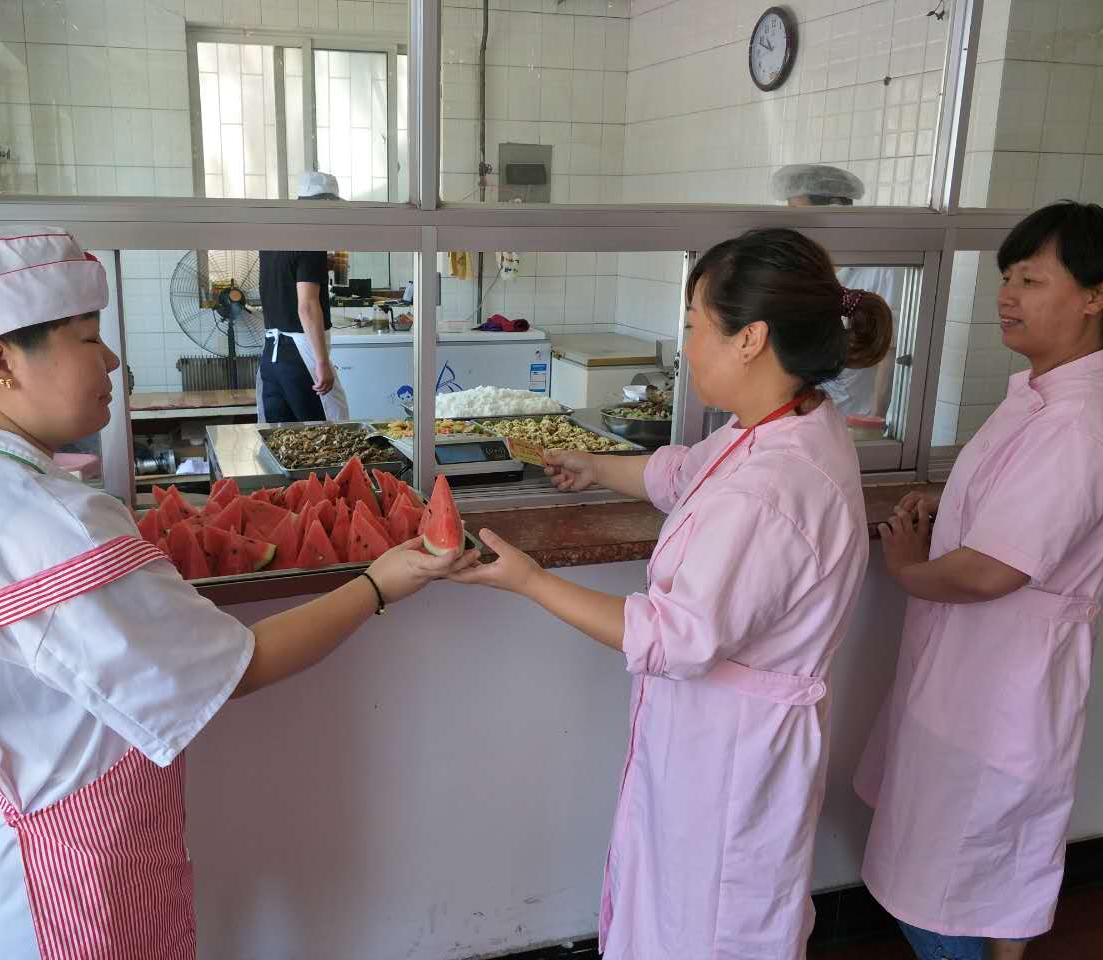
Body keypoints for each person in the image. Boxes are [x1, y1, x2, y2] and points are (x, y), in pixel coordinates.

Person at [0, 226, 473, 960]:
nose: (111, 360)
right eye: (87, 338)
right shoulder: (53, 524)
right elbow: (239, 666)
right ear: (1, 362)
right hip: (47, 887)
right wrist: (377, 585)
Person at [452, 228, 894, 958]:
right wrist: (595, 465)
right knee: (674, 910)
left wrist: (530, 581)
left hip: (731, 755)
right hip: (713, 739)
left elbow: (671, 636)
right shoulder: (786, 424)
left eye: (693, 325)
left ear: (750, 338)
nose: (684, 346)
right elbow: (683, 473)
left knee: (706, 928)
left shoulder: (771, 488)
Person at [855, 201, 1103, 960]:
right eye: (1006, 277)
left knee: (954, 881)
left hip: (1000, 687)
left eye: (1031, 279)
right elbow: (1018, 509)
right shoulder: (1039, 393)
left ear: (1095, 296)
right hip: (974, 678)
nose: (1007, 296)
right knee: (974, 867)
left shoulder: (1077, 422)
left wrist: (907, 567)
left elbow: (993, 570)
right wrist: (953, 504)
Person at [771, 164, 903, 420]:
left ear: (834, 210)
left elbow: (889, 350)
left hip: (854, 417)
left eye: (797, 210)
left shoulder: (880, 267)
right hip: (797, 413)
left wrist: (876, 416)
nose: (793, 222)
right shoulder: (799, 262)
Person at [257, 171, 350, 422]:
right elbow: (307, 307)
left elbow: (286, 278)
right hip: (300, 357)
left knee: (282, 435)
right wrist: (322, 363)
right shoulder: (312, 241)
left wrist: (321, 265)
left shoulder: (271, 239)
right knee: (330, 431)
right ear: (324, 206)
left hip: (272, 356)